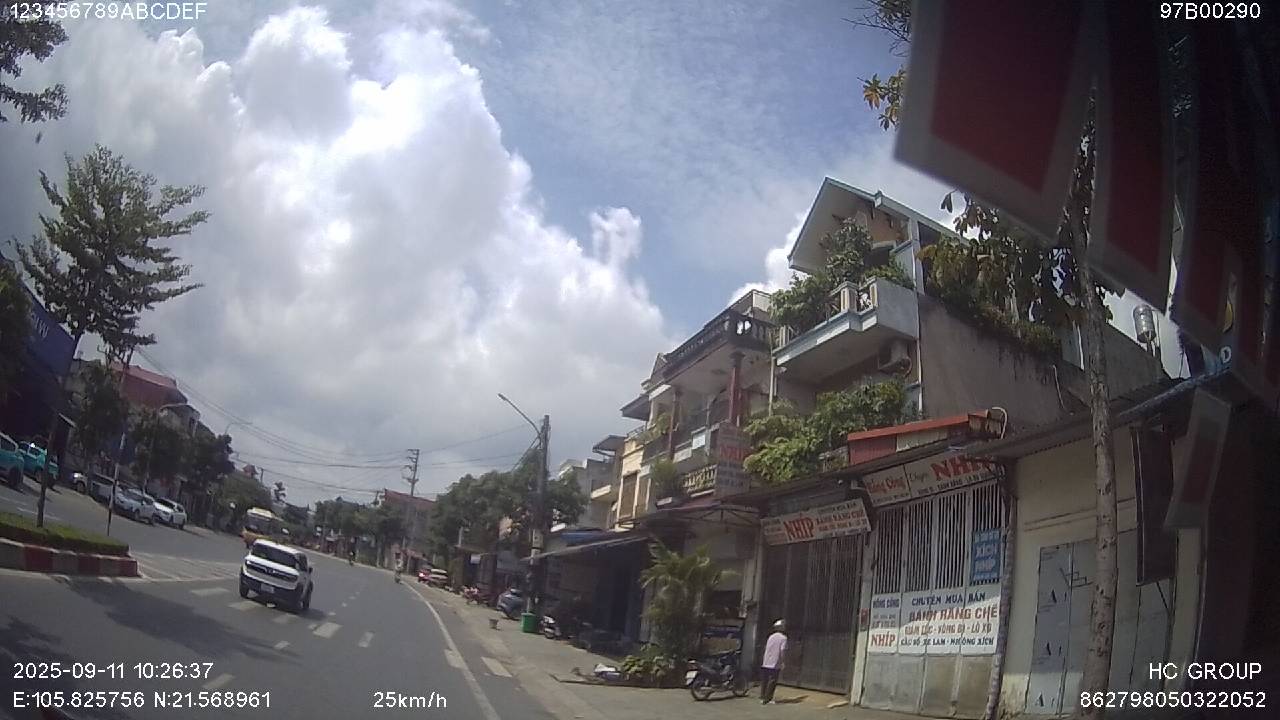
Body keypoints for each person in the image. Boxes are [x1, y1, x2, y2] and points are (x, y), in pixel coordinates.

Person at [760, 619, 787, 705]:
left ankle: (762, 697)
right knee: (772, 681)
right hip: (775, 662)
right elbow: (782, 651)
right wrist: (782, 662)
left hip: (766, 661)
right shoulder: (783, 638)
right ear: (781, 628)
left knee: (765, 680)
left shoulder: (770, 637)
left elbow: (766, 648)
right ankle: (768, 699)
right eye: (783, 626)